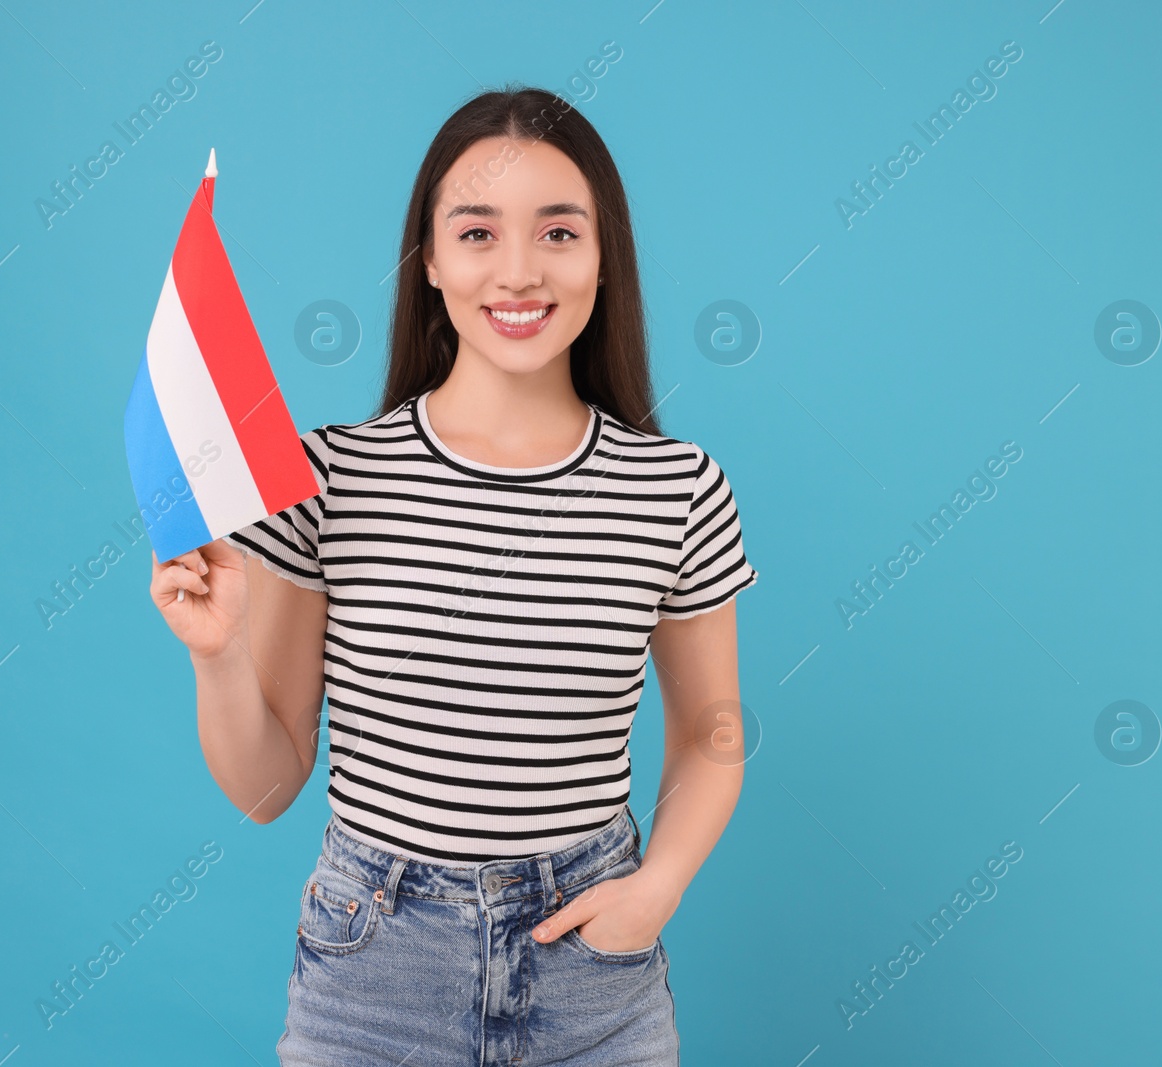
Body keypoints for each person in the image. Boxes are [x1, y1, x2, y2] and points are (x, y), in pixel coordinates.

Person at [149, 84, 758, 1066]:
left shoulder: (675, 487)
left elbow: (710, 729)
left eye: (558, 232)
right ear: (429, 259)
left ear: (604, 257)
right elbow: (266, 789)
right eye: (477, 232)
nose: (517, 270)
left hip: (592, 973)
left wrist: (659, 885)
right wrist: (216, 657)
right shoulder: (326, 477)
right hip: (372, 972)